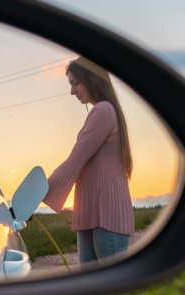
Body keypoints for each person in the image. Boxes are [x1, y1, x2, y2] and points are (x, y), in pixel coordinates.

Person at [42, 57, 134, 266]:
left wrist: (35, 195)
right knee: (93, 292)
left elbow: (76, 159)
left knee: (109, 291)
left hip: (106, 216)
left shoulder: (103, 110)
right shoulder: (105, 111)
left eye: (76, 83)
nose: (72, 91)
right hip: (91, 215)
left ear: (91, 79)